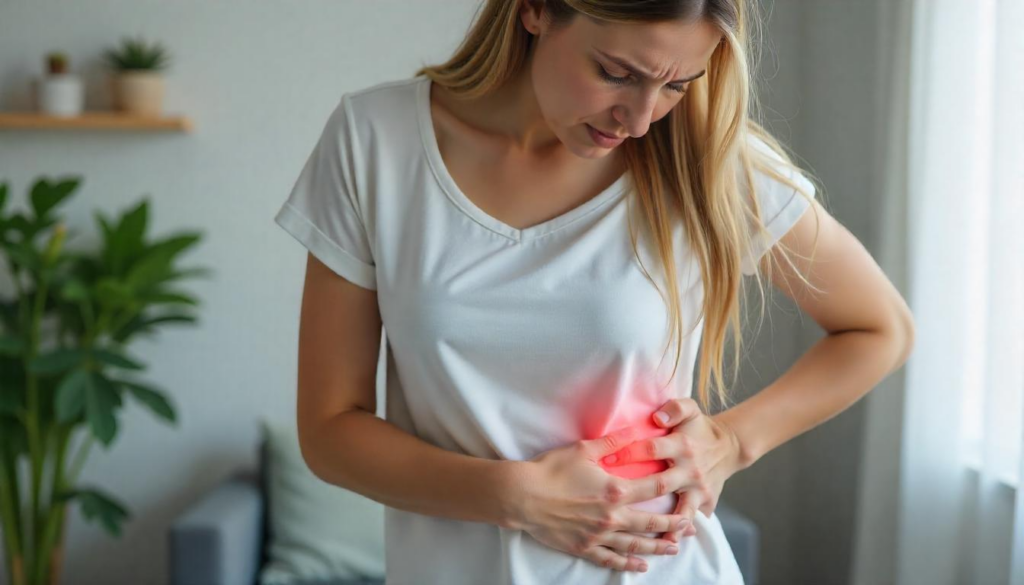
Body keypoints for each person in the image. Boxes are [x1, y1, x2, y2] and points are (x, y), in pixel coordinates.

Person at [273, 0, 916, 583]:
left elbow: (880, 327)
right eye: (616, 73)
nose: (639, 119)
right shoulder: (374, 140)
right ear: (535, 11)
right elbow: (330, 431)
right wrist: (515, 497)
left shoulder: (704, 156)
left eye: (676, 85)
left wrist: (732, 441)